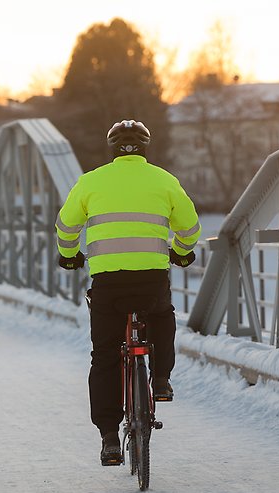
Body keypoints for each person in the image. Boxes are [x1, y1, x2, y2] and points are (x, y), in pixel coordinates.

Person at [55, 120, 200, 467]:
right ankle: (161, 379)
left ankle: (108, 437)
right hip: (151, 279)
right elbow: (190, 227)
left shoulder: (91, 181)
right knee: (162, 316)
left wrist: (69, 254)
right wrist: (181, 250)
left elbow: (66, 226)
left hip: (108, 282)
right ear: (146, 148)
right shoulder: (164, 180)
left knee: (104, 355)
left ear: (111, 149)